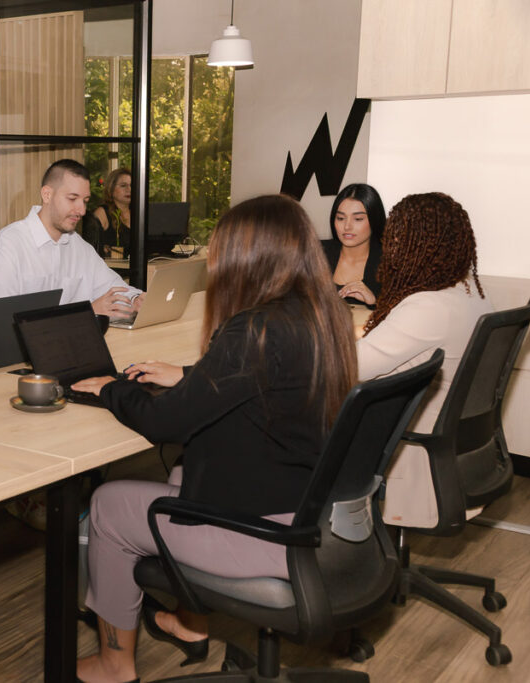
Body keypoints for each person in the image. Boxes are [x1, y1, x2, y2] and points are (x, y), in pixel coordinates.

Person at [69, 194, 358, 683]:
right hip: (314, 514)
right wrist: (190, 376)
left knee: (108, 505)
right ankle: (190, 623)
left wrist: (112, 389)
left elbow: (164, 423)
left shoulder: (255, 329)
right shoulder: (323, 316)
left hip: (269, 536)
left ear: (247, 258)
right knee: (184, 469)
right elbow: (265, 382)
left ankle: (114, 666)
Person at [357, 192, 492, 528]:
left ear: (422, 246)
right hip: (459, 448)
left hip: (411, 447)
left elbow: (352, 367)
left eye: (396, 238)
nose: (389, 248)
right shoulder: (472, 297)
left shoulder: (428, 307)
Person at [0, 158, 143, 318]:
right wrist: (87, 312)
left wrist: (135, 299)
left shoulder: (79, 247)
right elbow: (2, 320)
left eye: (85, 201)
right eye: (72, 199)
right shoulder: (9, 244)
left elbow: (113, 288)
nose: (81, 210)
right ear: (47, 195)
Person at [323, 182, 386, 307]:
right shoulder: (316, 252)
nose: (347, 226)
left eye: (358, 219)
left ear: (375, 219)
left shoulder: (389, 263)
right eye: (340, 218)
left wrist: (374, 302)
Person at [83, 167, 133, 257]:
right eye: (123, 185)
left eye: (131, 185)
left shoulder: (139, 214)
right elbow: (90, 247)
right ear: (111, 189)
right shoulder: (102, 213)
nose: (129, 189)